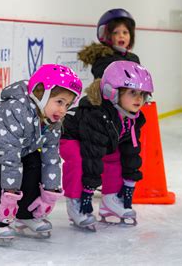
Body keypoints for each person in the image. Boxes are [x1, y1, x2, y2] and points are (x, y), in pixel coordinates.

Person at [0, 64, 82, 245]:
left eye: (68, 104)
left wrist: (50, 191)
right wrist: (10, 194)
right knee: (1, 172)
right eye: (59, 102)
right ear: (41, 94)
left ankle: (26, 215)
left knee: (34, 164)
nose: (63, 110)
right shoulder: (16, 111)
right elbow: (9, 157)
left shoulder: (53, 121)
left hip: (16, 145)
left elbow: (51, 157)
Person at [60, 60, 153, 228]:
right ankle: (75, 203)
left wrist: (129, 182)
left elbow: (130, 150)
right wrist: (87, 191)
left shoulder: (132, 118)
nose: (139, 99)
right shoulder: (97, 115)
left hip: (95, 142)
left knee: (116, 156)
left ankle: (110, 201)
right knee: (79, 161)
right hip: (71, 136)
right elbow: (92, 154)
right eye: (132, 92)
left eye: (142, 94)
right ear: (113, 92)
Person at [78, 8, 140, 79]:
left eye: (125, 32)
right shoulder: (103, 58)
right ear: (107, 36)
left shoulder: (134, 58)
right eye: (115, 33)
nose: (121, 36)